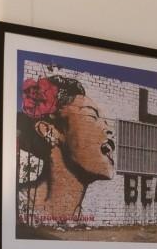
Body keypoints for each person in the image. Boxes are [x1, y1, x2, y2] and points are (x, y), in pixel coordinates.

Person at [17, 73, 115, 227]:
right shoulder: (17, 207)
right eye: (92, 116)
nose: (110, 130)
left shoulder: (83, 220)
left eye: (106, 121)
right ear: (49, 130)